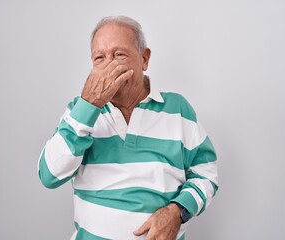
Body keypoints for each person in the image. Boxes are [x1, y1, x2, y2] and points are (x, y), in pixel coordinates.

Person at [38, 15, 218, 240]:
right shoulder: (79, 111)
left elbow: (206, 173)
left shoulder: (178, 109)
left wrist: (177, 211)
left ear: (144, 59)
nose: (109, 66)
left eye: (119, 55)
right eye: (99, 58)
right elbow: (49, 176)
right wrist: (88, 106)